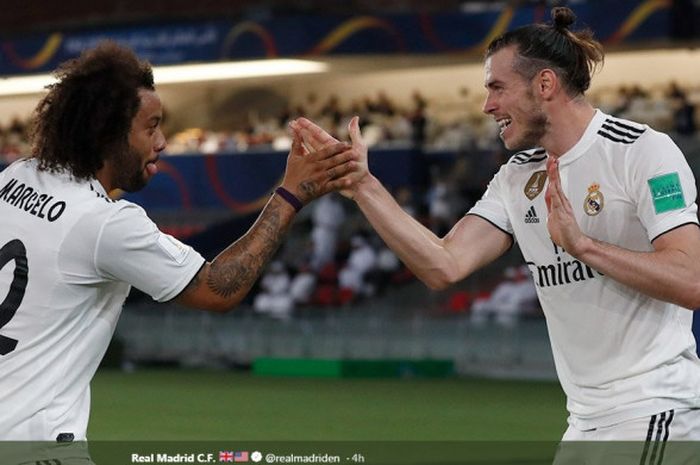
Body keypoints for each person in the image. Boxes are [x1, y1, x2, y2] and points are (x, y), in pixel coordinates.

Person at [292, 6, 700, 446]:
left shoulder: (642, 152)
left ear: (545, 84)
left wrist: (584, 247)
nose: (487, 106)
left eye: (497, 88)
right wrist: (364, 187)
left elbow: (691, 279)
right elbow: (443, 265)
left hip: (656, 411)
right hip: (584, 422)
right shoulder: (516, 175)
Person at [0, 41, 356, 443]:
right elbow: (218, 289)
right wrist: (291, 195)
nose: (162, 141)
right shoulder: (105, 224)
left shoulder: (16, 176)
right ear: (107, 133)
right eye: (150, 127)